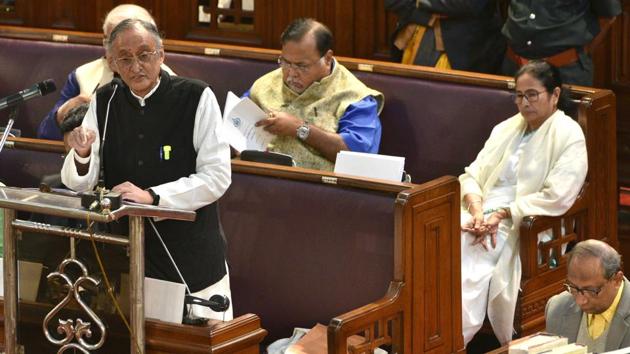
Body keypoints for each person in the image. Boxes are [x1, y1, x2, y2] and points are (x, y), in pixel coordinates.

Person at [61, 18, 232, 321]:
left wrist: (154, 197)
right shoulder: (105, 100)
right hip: (128, 254)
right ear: (112, 63)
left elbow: (217, 176)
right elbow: (78, 183)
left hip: (189, 255)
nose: (135, 66)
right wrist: (83, 151)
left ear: (162, 55)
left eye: (144, 55)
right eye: (124, 59)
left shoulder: (196, 97)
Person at [459, 60, 588, 345]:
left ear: (554, 95)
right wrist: (477, 209)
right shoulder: (506, 128)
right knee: (443, 237)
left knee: (468, 248)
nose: (524, 102)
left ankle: (453, 337)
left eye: (532, 94)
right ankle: (433, 335)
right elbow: (472, 173)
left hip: (526, 221)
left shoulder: (569, 134)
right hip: (480, 212)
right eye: (519, 95)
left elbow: (558, 195)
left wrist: (504, 214)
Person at [245, 18, 384, 171]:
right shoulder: (265, 84)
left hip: (320, 189)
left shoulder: (354, 97)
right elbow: (234, 121)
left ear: (327, 58)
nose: (291, 74)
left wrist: (300, 129)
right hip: (259, 180)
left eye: (301, 66)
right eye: (285, 62)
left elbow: (357, 158)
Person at [37, 4, 174, 141]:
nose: (116, 52)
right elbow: (45, 135)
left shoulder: (171, 85)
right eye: (110, 42)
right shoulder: (83, 76)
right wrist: (63, 113)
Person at [502, 0, 622, 86]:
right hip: (514, 66)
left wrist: (583, 51)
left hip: (564, 71)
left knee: (564, 121)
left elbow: (608, 15)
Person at [546, 239, 630, 352]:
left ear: (617, 280)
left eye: (591, 290)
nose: (581, 301)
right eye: (574, 288)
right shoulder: (557, 309)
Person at [385, 0, 505, 73]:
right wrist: (429, 16)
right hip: (413, 42)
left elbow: (469, 4)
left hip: (466, 49)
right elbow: (394, 2)